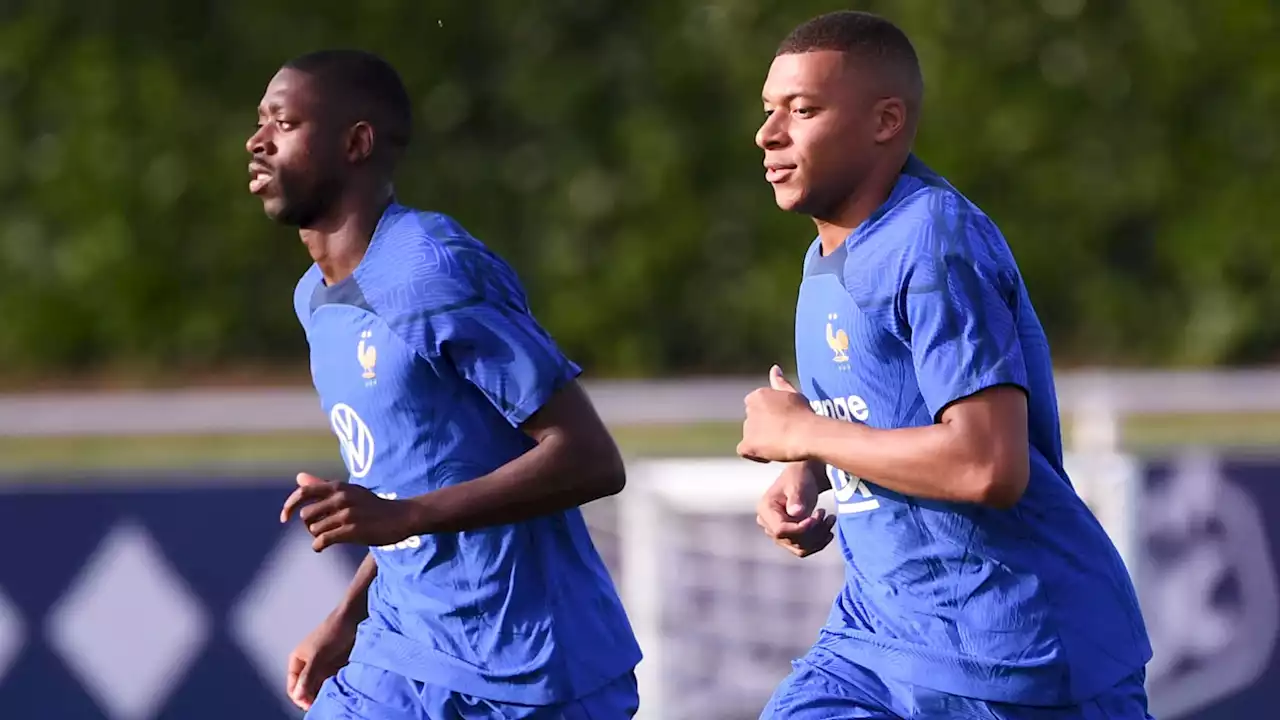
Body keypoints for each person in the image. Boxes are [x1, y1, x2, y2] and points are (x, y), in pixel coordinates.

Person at [736, 11, 1154, 720]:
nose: (768, 134)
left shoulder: (932, 238)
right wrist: (807, 468)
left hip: (1017, 656)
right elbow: (888, 407)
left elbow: (987, 466)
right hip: (875, 643)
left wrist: (806, 435)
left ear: (885, 120)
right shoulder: (825, 259)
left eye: (802, 110)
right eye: (769, 110)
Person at [246, 49, 641, 719]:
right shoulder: (314, 298)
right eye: (259, 123)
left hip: (534, 671)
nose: (257, 142)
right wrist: (348, 614)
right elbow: (416, 478)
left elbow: (590, 458)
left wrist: (401, 517)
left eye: (282, 123)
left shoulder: (432, 269)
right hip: (400, 659)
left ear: (356, 143)